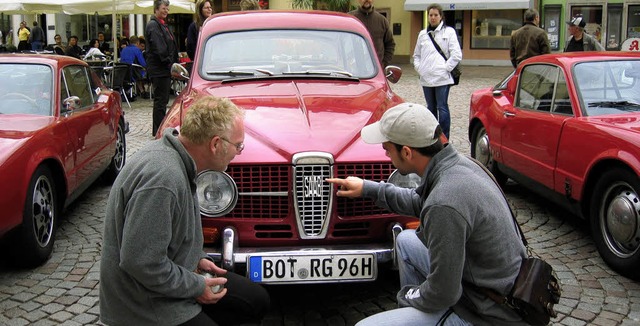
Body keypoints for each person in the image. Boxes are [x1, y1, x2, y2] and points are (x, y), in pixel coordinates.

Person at [326, 103, 527, 326]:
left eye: (387, 148)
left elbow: (445, 293)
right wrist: (368, 188)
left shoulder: (444, 202)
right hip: (489, 286)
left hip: (487, 313)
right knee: (406, 240)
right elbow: (420, 202)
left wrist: (410, 296)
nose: (385, 152)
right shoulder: (461, 165)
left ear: (407, 152)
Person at [100, 95, 270, 326]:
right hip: (145, 305)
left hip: (169, 281)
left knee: (257, 300)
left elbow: (170, 237)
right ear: (216, 144)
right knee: (247, 306)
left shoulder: (178, 158)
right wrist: (196, 286)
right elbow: (140, 263)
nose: (238, 152)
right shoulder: (163, 178)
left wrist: (197, 258)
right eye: (238, 145)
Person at [412, 3, 461, 140]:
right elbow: (416, 55)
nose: (433, 18)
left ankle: (444, 137)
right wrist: (419, 69)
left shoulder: (449, 32)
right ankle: (432, 135)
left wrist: (445, 68)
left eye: (435, 15)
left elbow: (456, 54)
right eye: (430, 15)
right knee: (430, 107)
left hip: (442, 78)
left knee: (442, 107)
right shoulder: (422, 34)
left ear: (441, 17)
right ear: (428, 16)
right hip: (426, 78)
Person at [145, 0, 179, 136]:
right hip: (160, 69)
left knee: (163, 100)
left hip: (163, 68)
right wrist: (169, 63)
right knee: (160, 101)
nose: (166, 11)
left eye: (167, 9)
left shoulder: (162, 25)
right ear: (156, 9)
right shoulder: (154, 25)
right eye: (164, 8)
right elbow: (160, 48)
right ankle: (158, 130)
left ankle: (159, 128)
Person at [348, 0, 395, 68]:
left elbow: (390, 44)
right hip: (353, 71)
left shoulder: (382, 21)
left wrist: (383, 64)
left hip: (376, 72)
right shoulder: (350, 19)